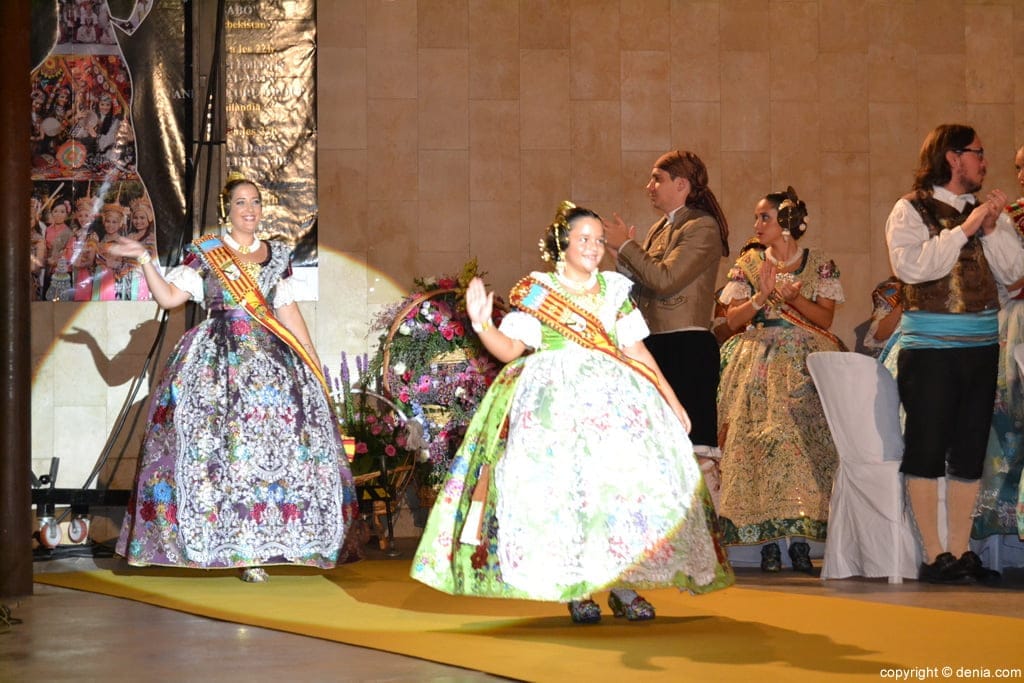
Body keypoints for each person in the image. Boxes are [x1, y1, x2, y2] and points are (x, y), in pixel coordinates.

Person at [411, 201, 734, 624]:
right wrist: (482, 325)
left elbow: (635, 350)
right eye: (585, 239)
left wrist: (671, 399)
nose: (594, 247)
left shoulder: (614, 290)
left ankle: (622, 584)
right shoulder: (537, 291)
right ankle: (578, 586)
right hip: (554, 410)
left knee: (618, 492)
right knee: (570, 495)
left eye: (599, 241)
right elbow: (510, 350)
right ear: (562, 244)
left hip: (615, 406)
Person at [113, 173, 358, 582]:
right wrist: (144, 259)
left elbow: (288, 313)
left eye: (256, 202)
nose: (250, 209)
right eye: (241, 202)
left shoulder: (277, 255)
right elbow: (170, 298)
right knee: (224, 449)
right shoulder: (208, 252)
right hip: (215, 360)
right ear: (227, 210)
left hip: (273, 362)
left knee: (278, 448)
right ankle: (231, 547)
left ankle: (276, 543)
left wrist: (312, 363)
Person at [885, 124, 1024, 584]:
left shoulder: (987, 215)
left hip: (982, 346)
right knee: (926, 447)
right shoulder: (910, 209)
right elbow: (911, 268)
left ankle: (961, 551)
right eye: (978, 153)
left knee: (969, 451)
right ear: (952, 157)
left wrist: (990, 230)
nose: (985, 162)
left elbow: (1014, 273)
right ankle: (932, 554)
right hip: (930, 350)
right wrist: (965, 229)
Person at [716, 186, 845, 573]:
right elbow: (730, 321)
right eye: (757, 218)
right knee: (757, 444)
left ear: (786, 221)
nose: (757, 225)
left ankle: (801, 540)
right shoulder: (748, 265)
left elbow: (824, 320)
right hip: (758, 361)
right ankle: (768, 540)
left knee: (803, 447)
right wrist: (761, 298)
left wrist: (792, 298)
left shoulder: (819, 261)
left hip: (804, 364)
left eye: (764, 217)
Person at [603, 150, 730, 473]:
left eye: (657, 179)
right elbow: (643, 289)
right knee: (657, 455)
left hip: (686, 346)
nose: (650, 186)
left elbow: (666, 280)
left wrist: (629, 248)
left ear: (682, 184)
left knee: (692, 457)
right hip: (657, 343)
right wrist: (621, 256)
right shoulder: (661, 227)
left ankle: (700, 522)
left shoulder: (702, 226)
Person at [973, 143, 1024, 545]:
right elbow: (1013, 280)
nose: (1020, 175)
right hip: (1016, 330)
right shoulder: (1011, 218)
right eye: (1018, 167)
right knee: (1010, 431)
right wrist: (992, 228)